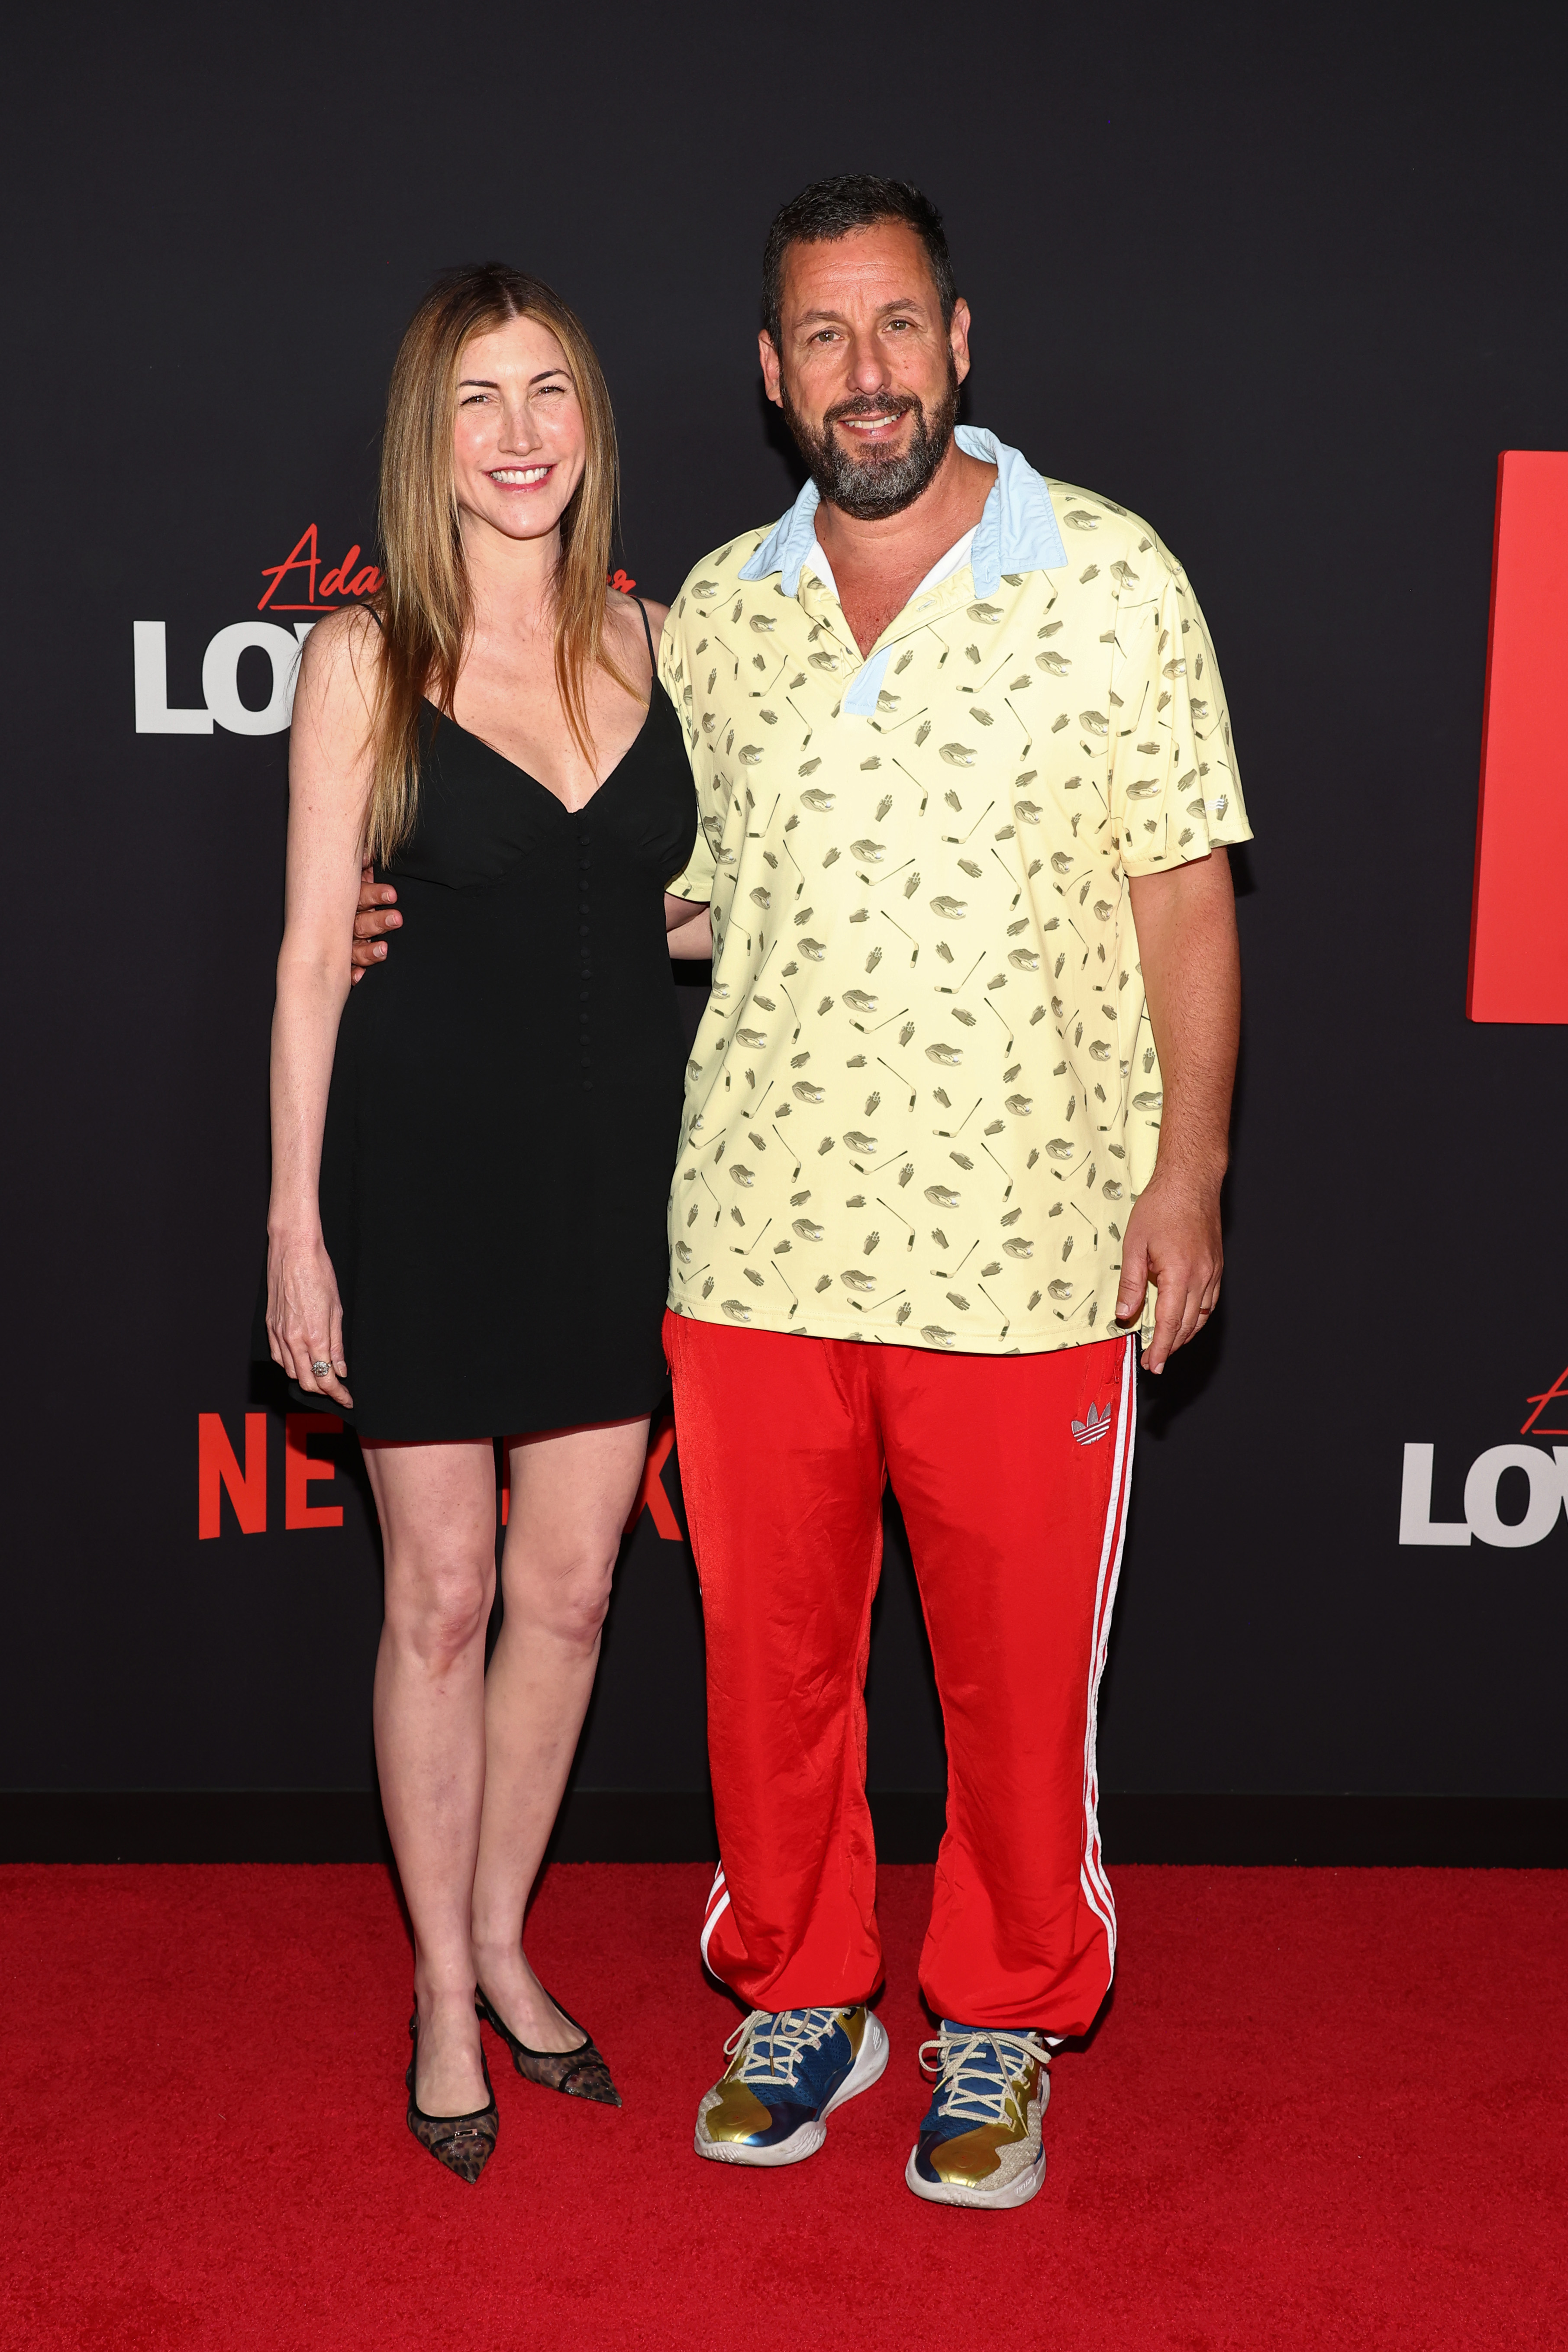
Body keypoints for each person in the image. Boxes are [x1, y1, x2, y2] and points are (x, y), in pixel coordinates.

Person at [353, 177, 1248, 2212]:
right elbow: (662, 899)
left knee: (1016, 1693)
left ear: (961, 344)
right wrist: (405, 922)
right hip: (752, 1242)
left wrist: (1187, 1172)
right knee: (771, 1675)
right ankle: (805, 1992)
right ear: (772, 377)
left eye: (898, 329)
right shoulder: (720, 618)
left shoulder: (1111, 577)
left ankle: (1003, 2023)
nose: (867, 375)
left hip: (1029, 1256)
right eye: (823, 341)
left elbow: (1186, 888)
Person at [265, 262, 708, 2182]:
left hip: (625, 1178)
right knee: (439, 1598)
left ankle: (514, 1935)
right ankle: (443, 1985)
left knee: (577, 1592)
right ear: (426, 445)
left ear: (590, 422)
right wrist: (295, 1223)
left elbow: (712, 896)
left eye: (550, 392)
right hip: (429, 1176)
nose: (521, 434)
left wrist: (712, 917)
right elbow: (304, 963)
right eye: (478, 401)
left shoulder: (673, 641)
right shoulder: (361, 662)